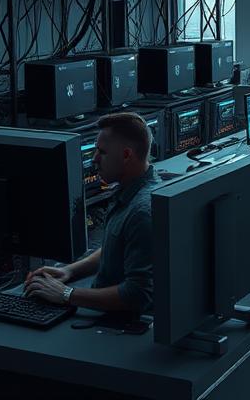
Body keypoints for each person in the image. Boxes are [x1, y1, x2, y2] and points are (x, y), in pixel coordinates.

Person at [25, 112, 156, 314]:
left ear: (126, 155)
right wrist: (69, 270)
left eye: (102, 152)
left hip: (115, 320)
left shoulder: (142, 213)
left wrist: (66, 294)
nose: (95, 159)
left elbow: (137, 295)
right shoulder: (132, 192)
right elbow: (118, 245)